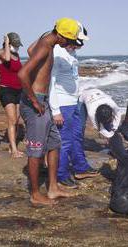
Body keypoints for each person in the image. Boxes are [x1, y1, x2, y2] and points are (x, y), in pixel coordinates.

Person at [17, 17, 79, 205]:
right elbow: (22, 74)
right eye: (68, 40)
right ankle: (35, 194)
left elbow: (29, 50)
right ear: (59, 35)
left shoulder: (47, 44)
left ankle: (52, 188)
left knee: (54, 143)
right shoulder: (46, 46)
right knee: (36, 150)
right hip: (35, 102)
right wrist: (35, 101)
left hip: (42, 101)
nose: (68, 44)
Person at [49, 22, 97, 188]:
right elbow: (51, 82)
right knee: (65, 141)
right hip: (62, 105)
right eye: (78, 41)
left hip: (73, 102)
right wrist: (55, 111)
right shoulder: (57, 52)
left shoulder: (71, 52)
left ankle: (80, 168)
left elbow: (73, 77)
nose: (81, 45)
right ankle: (61, 174)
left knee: (77, 137)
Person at [0, 32, 24, 158]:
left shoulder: (17, 55)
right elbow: (7, 59)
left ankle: (11, 147)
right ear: (8, 43)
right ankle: (14, 150)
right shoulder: (1, 52)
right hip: (6, 90)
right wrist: (7, 43)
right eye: (15, 45)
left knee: (17, 120)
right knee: (12, 120)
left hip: (19, 90)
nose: (17, 47)